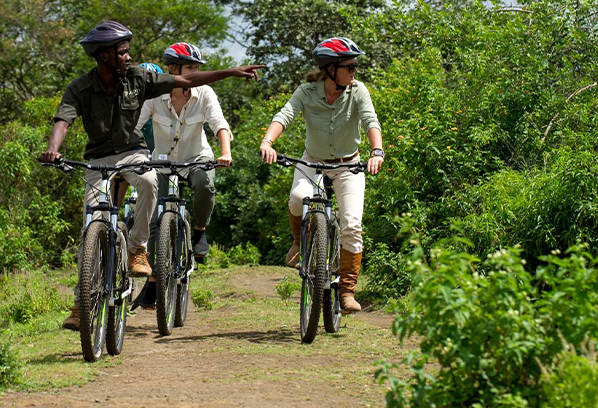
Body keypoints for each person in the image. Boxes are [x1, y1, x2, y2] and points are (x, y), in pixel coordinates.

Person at [41, 21, 262, 330]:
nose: (128, 57)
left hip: (135, 153)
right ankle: (81, 305)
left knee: (147, 180)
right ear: (103, 56)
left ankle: (137, 248)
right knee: (89, 226)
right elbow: (63, 119)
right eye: (122, 52)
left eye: (128, 51)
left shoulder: (139, 79)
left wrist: (229, 72)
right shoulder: (79, 87)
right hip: (98, 159)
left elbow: (189, 79)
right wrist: (53, 149)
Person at [258, 37, 384, 314]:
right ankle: (299, 240)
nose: (354, 72)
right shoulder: (306, 91)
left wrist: (377, 151)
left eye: (354, 67)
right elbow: (285, 115)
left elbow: (370, 120)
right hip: (312, 161)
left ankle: (347, 291)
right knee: (296, 198)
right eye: (349, 67)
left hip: (348, 165)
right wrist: (267, 142)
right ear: (330, 69)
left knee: (351, 224)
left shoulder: (358, 91)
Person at [132, 43, 233, 309]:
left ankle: (199, 232)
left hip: (196, 158)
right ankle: (153, 281)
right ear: (173, 70)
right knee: (155, 219)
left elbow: (219, 125)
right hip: (162, 162)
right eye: (190, 68)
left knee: (205, 185)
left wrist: (225, 151)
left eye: (197, 69)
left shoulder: (205, 93)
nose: (196, 73)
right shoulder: (155, 96)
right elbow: (135, 126)